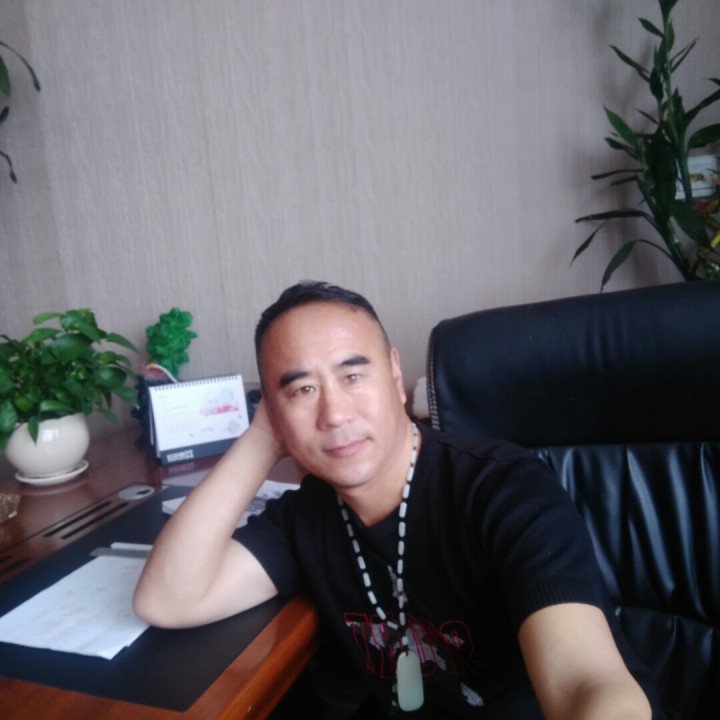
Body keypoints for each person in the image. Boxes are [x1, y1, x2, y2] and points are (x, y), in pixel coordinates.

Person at [133, 280, 659, 719]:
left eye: (352, 375)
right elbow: (168, 598)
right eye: (301, 390)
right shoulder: (307, 515)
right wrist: (261, 440)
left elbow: (586, 684)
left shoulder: (503, 490)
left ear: (393, 371)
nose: (334, 414)